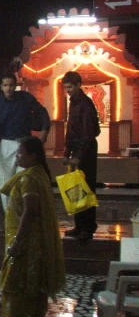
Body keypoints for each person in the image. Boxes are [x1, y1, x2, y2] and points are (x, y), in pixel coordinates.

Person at [0, 136, 65, 317]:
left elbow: (29, 212)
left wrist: (18, 242)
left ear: (33, 156)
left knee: (13, 290)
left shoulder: (29, 179)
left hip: (25, 245)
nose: (17, 157)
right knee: (32, 291)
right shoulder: (38, 174)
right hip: (34, 246)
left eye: (20, 153)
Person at [0, 73, 50, 214]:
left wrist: (44, 130)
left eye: (11, 85)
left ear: (16, 86)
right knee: (5, 181)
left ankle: (25, 213)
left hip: (25, 142)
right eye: (6, 85)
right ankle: (10, 215)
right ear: (1, 87)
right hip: (6, 143)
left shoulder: (25, 98)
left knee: (25, 180)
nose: (8, 88)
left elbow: (42, 112)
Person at [61, 70, 100, 241]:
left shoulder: (85, 104)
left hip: (86, 151)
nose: (67, 90)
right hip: (77, 149)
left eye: (70, 87)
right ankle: (79, 225)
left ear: (78, 85)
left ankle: (88, 227)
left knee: (87, 187)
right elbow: (70, 130)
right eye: (66, 88)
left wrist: (79, 155)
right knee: (75, 188)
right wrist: (67, 152)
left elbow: (88, 133)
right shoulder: (73, 103)